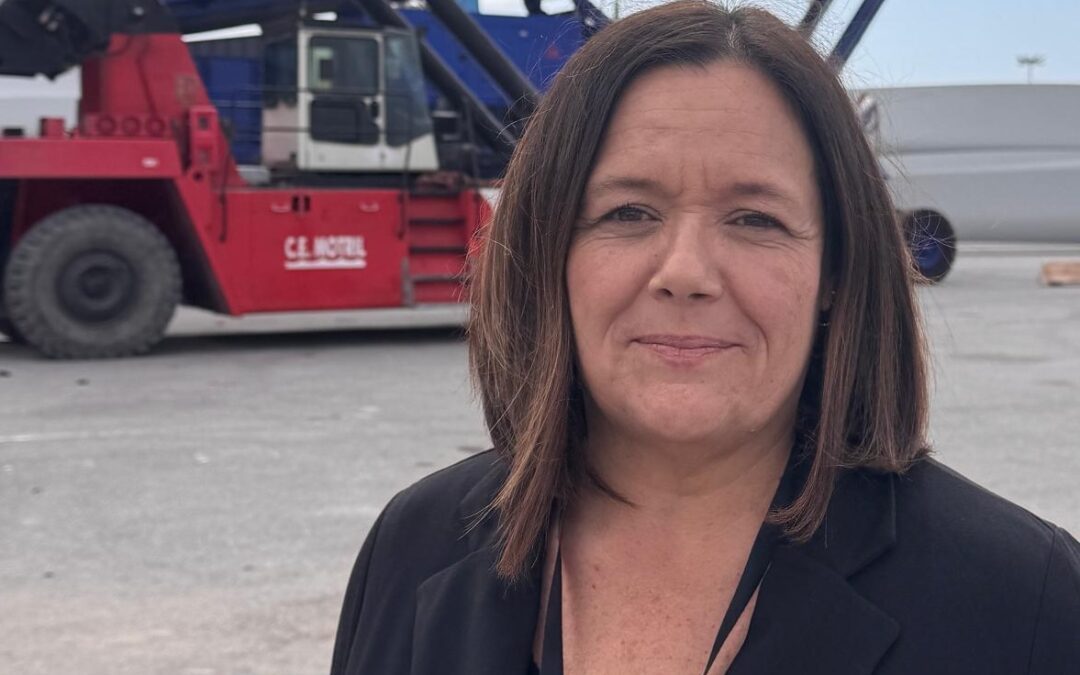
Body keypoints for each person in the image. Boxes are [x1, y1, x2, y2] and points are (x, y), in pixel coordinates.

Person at [330, 3, 1080, 674]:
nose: (685, 273)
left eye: (755, 219)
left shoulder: (1025, 602)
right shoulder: (412, 546)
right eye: (628, 212)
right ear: (548, 252)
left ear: (835, 271)